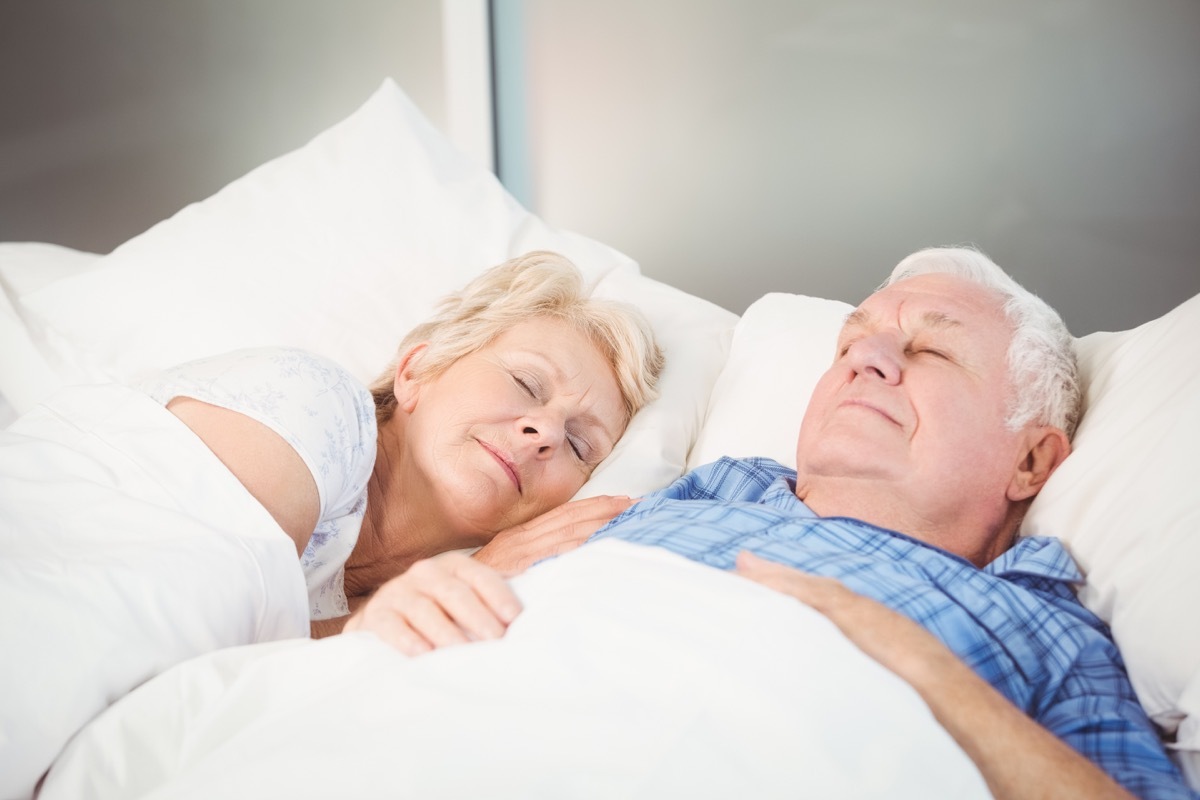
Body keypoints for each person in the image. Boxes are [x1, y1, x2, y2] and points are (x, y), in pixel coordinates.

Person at [348, 247, 1194, 799]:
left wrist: (913, 661)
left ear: (1031, 464)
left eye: (930, 352)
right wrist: (398, 614)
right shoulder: (697, 497)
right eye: (852, 344)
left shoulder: (1046, 630)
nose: (868, 357)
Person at [0, 250, 663, 800]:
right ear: (418, 370)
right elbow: (152, 618)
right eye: (526, 383)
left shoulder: (393, 595)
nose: (544, 430)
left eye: (580, 445)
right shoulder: (311, 405)